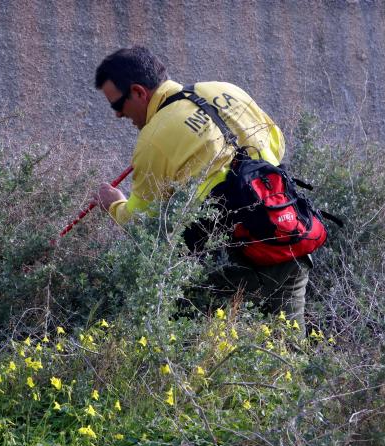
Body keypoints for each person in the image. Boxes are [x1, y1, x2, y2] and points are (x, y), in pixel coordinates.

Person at [92, 45, 311, 329]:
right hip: (288, 238)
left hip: (229, 264)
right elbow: (277, 144)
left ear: (138, 92)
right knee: (291, 350)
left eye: (117, 105)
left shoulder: (153, 139)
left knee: (196, 347)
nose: (118, 116)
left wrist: (114, 204)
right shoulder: (228, 90)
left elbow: (141, 222)